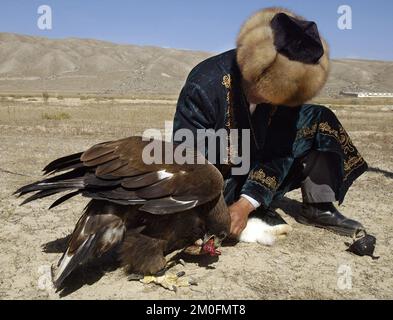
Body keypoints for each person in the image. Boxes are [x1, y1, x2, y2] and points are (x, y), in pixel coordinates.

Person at [172, 7, 368, 241]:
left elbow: (281, 150)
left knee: (319, 118)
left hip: (259, 162)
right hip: (218, 177)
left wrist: (246, 204)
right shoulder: (205, 84)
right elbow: (187, 160)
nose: (275, 100)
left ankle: (318, 207)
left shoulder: (289, 91)